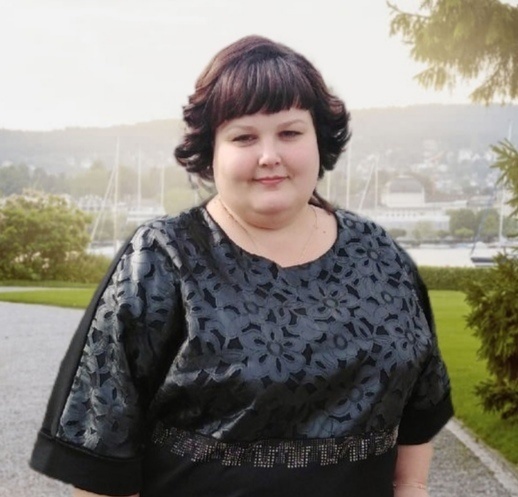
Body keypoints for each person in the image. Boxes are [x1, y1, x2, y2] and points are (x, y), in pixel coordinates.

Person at [30, 35, 453, 497]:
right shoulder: (162, 259)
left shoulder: (379, 255)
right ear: (211, 150)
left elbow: (422, 400)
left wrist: (412, 485)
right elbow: (101, 446)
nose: (269, 155)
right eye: (244, 137)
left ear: (319, 140)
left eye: (290, 133)